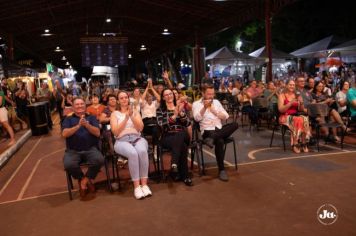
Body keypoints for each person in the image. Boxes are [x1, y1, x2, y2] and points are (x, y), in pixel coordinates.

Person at [110, 91, 152, 200]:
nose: (124, 99)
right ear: (118, 101)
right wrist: (126, 118)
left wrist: (131, 115)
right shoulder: (114, 114)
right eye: (121, 98)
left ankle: (144, 184)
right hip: (121, 141)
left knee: (142, 151)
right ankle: (137, 187)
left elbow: (140, 128)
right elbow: (115, 132)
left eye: (125, 97)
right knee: (133, 153)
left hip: (137, 138)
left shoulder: (135, 111)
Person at [192, 84, 238, 181]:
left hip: (219, 129)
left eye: (212, 94)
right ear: (203, 93)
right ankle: (222, 170)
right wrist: (204, 108)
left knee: (235, 124)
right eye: (209, 94)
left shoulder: (216, 102)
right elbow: (196, 118)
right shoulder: (196, 104)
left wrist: (215, 111)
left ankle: (212, 139)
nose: (211, 96)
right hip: (207, 131)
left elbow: (226, 116)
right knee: (220, 141)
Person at [62, 97, 104, 199]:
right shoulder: (68, 119)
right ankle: (83, 179)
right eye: (77, 104)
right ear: (73, 107)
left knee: (99, 160)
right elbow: (64, 134)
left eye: (82, 104)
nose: (80, 106)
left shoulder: (92, 117)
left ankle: (84, 181)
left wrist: (87, 125)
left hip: (90, 148)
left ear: (85, 106)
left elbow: (98, 133)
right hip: (73, 150)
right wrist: (78, 126)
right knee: (68, 164)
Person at [156, 88, 193, 186]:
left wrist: (181, 114)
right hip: (167, 136)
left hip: (182, 134)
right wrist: (174, 115)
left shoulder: (179, 107)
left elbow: (187, 123)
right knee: (183, 146)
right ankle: (184, 176)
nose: (169, 96)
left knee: (180, 133)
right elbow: (161, 125)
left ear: (173, 95)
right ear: (163, 98)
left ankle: (174, 163)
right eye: (166, 95)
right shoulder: (160, 110)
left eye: (170, 94)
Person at [278, 79, 311, 153]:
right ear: (286, 85)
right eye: (290, 84)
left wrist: (301, 103)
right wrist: (290, 103)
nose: (292, 86)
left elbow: (300, 109)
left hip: (295, 115)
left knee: (305, 118)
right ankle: (295, 143)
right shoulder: (282, 95)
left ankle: (303, 142)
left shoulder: (296, 95)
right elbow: (281, 110)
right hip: (284, 116)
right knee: (298, 119)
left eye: (293, 85)